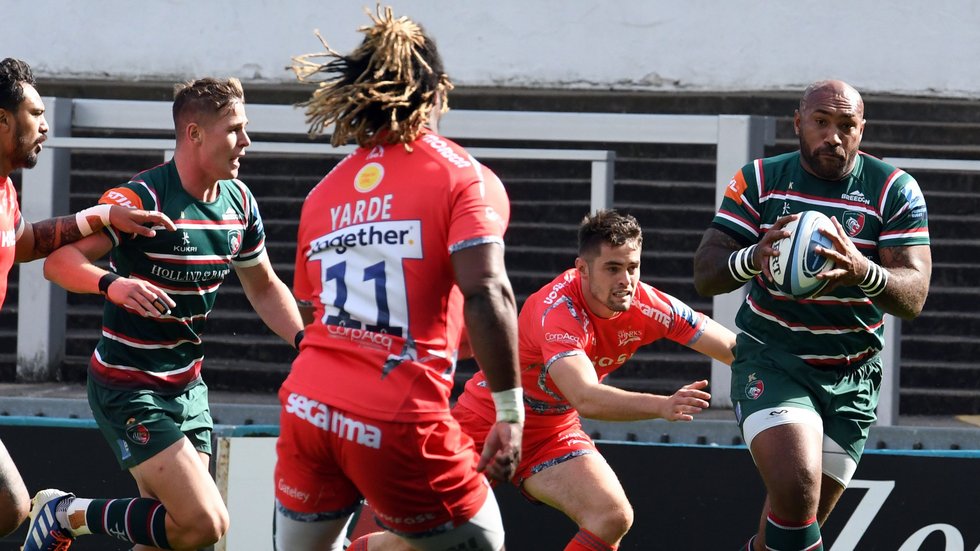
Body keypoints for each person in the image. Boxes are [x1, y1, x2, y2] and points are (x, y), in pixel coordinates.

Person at [274, 6, 523, 551]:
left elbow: (317, 311)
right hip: (395, 416)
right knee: (487, 542)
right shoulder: (464, 177)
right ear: (439, 91)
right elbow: (486, 291)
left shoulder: (323, 193)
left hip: (307, 406)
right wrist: (509, 410)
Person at [23, 76, 305, 551]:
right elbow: (58, 262)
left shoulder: (240, 203)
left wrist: (306, 344)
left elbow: (264, 287)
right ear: (194, 134)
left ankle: (67, 514)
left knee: (173, 539)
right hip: (127, 385)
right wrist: (115, 284)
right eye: (235, 129)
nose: (247, 142)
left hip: (187, 387)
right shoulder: (145, 198)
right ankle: (65, 513)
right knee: (205, 523)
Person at [692, 80, 932, 551]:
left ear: (863, 129)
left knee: (784, 532)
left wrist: (861, 269)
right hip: (774, 361)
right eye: (821, 122)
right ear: (797, 123)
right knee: (798, 489)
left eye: (847, 125)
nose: (833, 136)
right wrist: (752, 257)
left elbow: (915, 295)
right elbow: (706, 272)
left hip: (853, 375)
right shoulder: (760, 179)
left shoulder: (893, 189)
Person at [447, 209, 735, 551]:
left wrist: (795, 368)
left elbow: (733, 348)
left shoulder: (648, 303)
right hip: (486, 421)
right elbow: (584, 396)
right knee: (417, 541)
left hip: (552, 430)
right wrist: (662, 405)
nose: (625, 280)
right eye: (612, 268)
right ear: (582, 269)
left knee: (611, 516)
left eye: (632, 267)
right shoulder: (557, 310)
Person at [0, 58, 175, 540]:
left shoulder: (4, 190)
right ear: (2, 120)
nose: (45, 125)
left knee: (9, 510)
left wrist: (102, 216)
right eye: (35, 113)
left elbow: (27, 242)